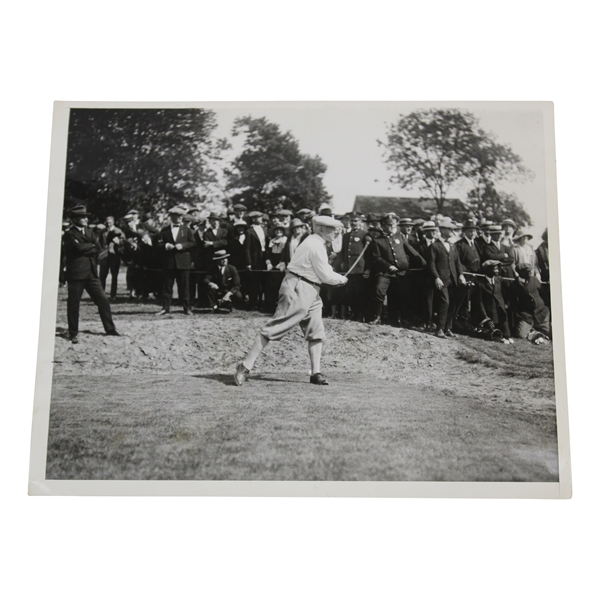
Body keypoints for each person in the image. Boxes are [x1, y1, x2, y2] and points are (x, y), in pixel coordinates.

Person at [234, 215, 348, 387]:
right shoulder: (314, 245)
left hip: (312, 289)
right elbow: (325, 274)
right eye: (332, 229)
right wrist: (342, 279)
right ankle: (245, 366)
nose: (335, 233)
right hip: (298, 287)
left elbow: (322, 270)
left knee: (316, 331)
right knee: (275, 327)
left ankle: (315, 373)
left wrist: (335, 276)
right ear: (321, 229)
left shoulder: (317, 243)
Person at [62, 204, 120, 343]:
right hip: (76, 275)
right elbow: (78, 248)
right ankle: (73, 333)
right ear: (75, 219)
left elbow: (98, 248)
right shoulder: (69, 234)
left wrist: (88, 248)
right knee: (74, 304)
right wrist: (90, 247)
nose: (86, 220)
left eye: (86, 217)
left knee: (103, 300)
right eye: (82, 217)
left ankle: (110, 328)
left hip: (92, 274)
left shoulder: (90, 232)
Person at [368, 213, 426, 327]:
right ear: (383, 226)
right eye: (390, 225)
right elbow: (376, 258)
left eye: (394, 225)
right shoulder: (377, 240)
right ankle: (377, 317)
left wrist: (424, 263)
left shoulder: (400, 237)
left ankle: (394, 320)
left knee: (396, 296)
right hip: (385, 272)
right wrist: (388, 266)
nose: (393, 228)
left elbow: (411, 251)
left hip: (400, 272)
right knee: (379, 291)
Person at [426, 218, 467, 338]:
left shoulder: (453, 246)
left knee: (453, 303)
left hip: (453, 279)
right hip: (442, 279)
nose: (452, 232)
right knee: (445, 302)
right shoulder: (435, 246)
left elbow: (457, 262)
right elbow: (431, 264)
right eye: (450, 229)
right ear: (442, 230)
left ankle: (447, 328)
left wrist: (461, 274)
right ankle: (439, 329)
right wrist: (436, 277)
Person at [155, 206, 196, 315]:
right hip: (169, 262)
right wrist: (166, 245)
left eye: (180, 216)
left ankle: (187, 308)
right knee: (167, 286)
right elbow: (158, 244)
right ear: (171, 217)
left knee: (184, 287)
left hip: (183, 262)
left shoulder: (187, 230)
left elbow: (193, 243)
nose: (179, 218)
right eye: (176, 216)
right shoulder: (164, 230)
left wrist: (182, 246)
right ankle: (165, 308)